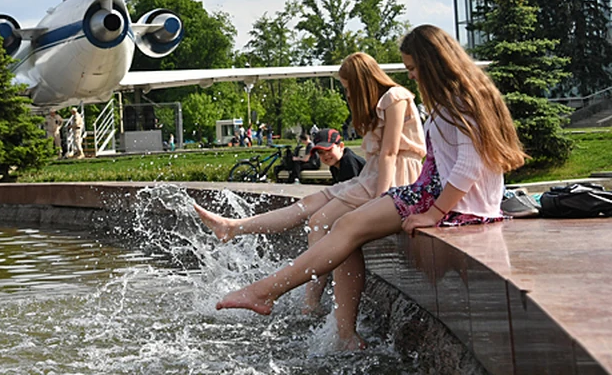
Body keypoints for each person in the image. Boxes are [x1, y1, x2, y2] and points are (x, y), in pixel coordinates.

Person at [213, 26, 527, 349]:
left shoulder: (461, 100)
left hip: (449, 203)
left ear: (435, 63)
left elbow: (470, 166)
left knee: (346, 226)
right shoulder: (458, 97)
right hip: (430, 192)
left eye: (414, 69)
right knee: (343, 227)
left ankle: (266, 292)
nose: (414, 77)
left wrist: (434, 213)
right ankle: (343, 334)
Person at [196, 51, 426, 348]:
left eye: (347, 87)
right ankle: (234, 227)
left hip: (394, 176)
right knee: (307, 206)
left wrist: (381, 201)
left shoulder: (395, 97)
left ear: (360, 80)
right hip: (374, 174)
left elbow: (391, 153)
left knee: (321, 220)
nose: (346, 93)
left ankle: (311, 300)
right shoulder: (385, 101)